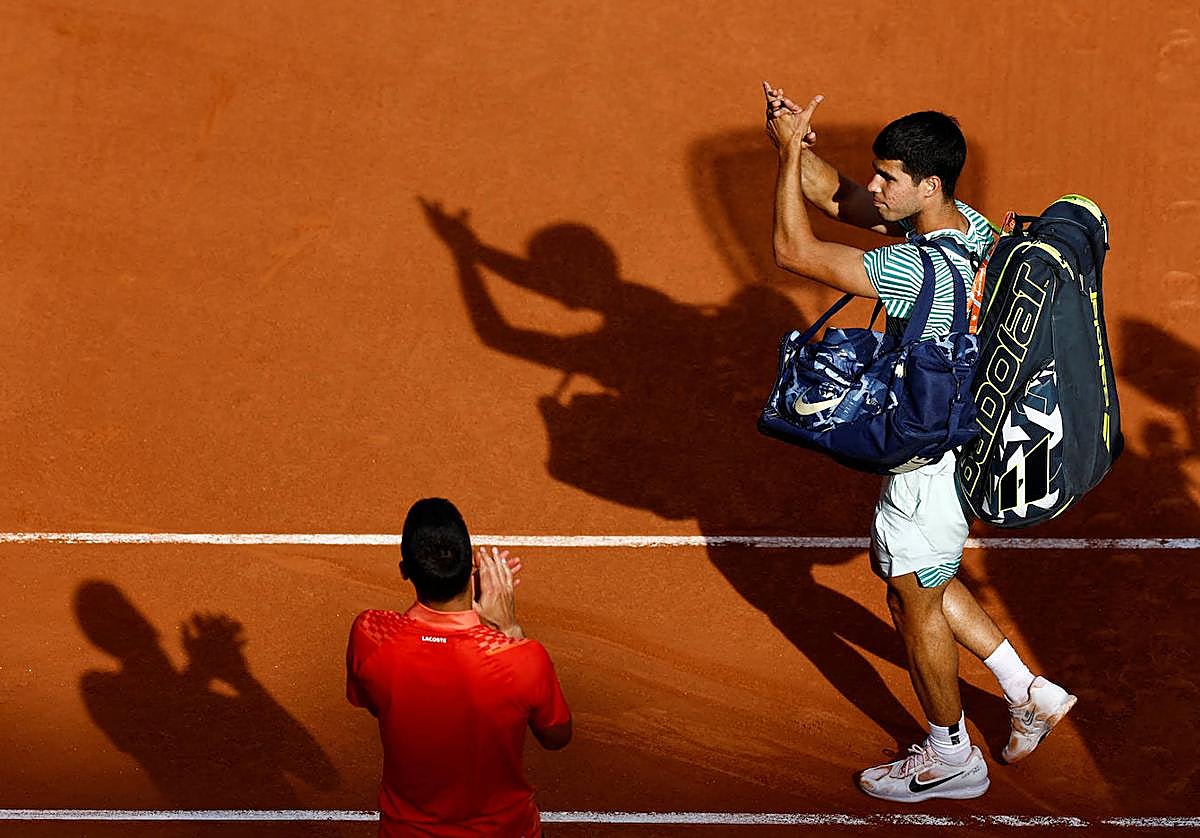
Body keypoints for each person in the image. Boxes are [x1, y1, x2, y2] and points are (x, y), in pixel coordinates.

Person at [761, 82, 1076, 803]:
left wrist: (783, 162)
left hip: (926, 454)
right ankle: (1027, 689)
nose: (876, 188)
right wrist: (792, 143)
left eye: (890, 179)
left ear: (926, 184)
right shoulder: (970, 230)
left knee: (912, 599)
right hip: (971, 430)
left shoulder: (909, 270)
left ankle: (950, 754)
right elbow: (839, 197)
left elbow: (792, 249)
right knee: (927, 576)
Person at [346, 498, 572, 836]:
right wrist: (508, 631)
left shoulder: (370, 635)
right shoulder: (521, 656)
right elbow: (557, 736)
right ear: (472, 566)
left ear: (405, 572)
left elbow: (377, 702)